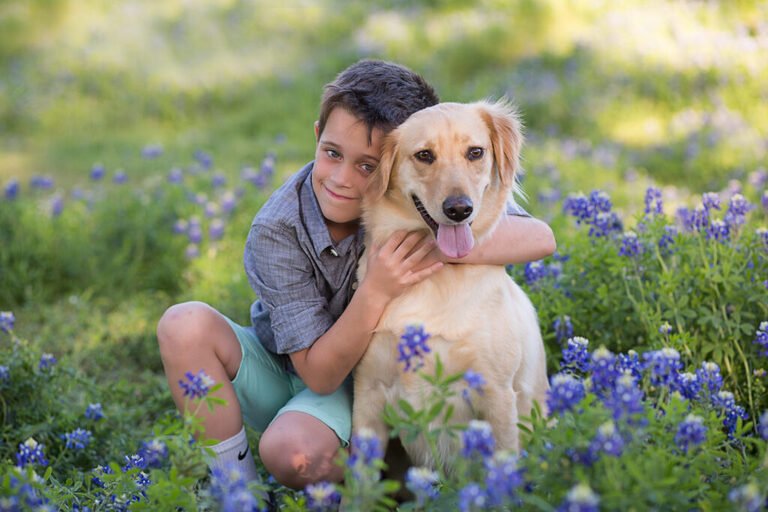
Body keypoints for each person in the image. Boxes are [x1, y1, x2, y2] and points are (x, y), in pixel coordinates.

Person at [156, 59, 556, 490]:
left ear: (390, 164)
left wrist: (441, 243)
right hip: (307, 368)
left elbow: (537, 237)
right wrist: (378, 288)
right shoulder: (278, 228)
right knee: (184, 324)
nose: (344, 180)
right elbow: (320, 375)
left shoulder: (437, 194)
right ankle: (234, 491)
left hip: (374, 386)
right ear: (317, 137)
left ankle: (401, 483)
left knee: (297, 449)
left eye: (367, 166)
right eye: (332, 154)